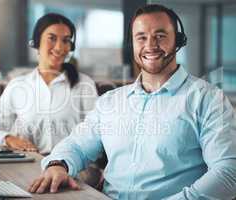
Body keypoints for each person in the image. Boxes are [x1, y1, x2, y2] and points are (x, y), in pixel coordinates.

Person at [28, 4, 236, 200]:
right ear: (133, 44)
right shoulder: (111, 101)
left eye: (160, 36)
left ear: (178, 41)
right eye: (141, 37)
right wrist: (57, 165)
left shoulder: (207, 99)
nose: (150, 45)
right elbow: (77, 145)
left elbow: (228, 171)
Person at [0, 13, 98, 154]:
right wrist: (8, 139)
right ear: (36, 42)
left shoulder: (84, 84)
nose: (59, 47)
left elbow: (96, 133)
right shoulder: (18, 86)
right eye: (52, 38)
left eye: (66, 40)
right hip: (30, 164)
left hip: (71, 168)